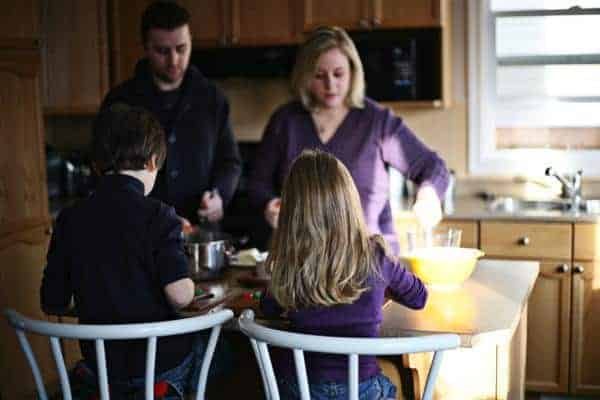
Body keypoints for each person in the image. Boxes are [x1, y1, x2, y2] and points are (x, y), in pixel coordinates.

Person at [40, 104, 213, 399]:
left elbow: (52, 302)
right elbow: (179, 295)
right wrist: (191, 287)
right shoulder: (160, 216)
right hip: (156, 371)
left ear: (98, 164)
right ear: (152, 162)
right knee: (213, 347)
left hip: (101, 371)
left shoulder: (70, 218)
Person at [248, 26, 449, 253]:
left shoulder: (377, 122)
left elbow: (432, 166)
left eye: (338, 74)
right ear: (305, 76)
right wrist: (269, 205)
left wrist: (429, 195)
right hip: (300, 261)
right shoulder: (285, 122)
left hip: (369, 260)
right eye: (319, 75)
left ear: (353, 72)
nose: (330, 85)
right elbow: (257, 183)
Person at [260, 149, 428, 400]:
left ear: (292, 211)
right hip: (362, 389)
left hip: (301, 389)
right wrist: (382, 288)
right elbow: (419, 297)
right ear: (349, 203)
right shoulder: (376, 257)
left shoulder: (289, 262)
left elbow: (269, 309)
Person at [101, 0, 242, 229]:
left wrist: (219, 196)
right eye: (162, 51)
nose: (174, 60)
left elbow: (230, 162)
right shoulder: (120, 101)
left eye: (181, 48)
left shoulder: (212, 98)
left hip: (199, 233)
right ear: (146, 47)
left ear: (191, 42)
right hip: (137, 234)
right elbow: (104, 172)